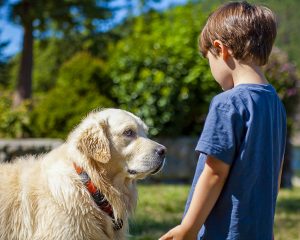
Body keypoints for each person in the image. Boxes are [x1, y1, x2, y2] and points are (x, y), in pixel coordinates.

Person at [159, 1, 286, 240]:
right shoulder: (275, 104)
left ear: (221, 49)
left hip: (223, 233)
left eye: (209, 59)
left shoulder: (228, 103)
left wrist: (189, 228)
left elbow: (215, 172)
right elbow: (275, 174)